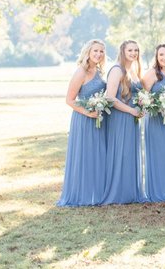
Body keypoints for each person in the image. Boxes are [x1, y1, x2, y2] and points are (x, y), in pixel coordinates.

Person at [57, 40, 108, 206]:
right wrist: (88, 112)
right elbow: (69, 100)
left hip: (99, 119)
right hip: (84, 119)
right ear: (88, 52)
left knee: (98, 154)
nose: (98, 54)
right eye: (95, 51)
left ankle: (97, 192)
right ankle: (83, 193)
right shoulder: (81, 72)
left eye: (101, 51)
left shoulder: (100, 71)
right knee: (85, 155)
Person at [100, 40, 146, 204]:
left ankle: (130, 191)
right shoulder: (117, 70)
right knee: (122, 153)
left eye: (136, 50)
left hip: (132, 118)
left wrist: (143, 105)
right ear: (123, 52)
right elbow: (110, 98)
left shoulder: (133, 70)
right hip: (120, 117)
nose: (133, 53)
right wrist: (131, 110)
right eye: (130, 50)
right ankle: (119, 193)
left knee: (130, 153)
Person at [141, 44, 165, 202]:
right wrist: (157, 105)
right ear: (156, 57)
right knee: (161, 155)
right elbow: (142, 97)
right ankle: (159, 193)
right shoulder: (152, 73)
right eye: (161, 55)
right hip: (156, 119)